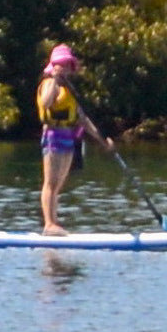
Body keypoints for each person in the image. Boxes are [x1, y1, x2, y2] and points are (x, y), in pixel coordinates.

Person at [36, 44, 112, 235]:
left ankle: (54, 223)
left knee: (58, 185)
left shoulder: (70, 92)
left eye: (67, 65)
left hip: (68, 138)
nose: (65, 69)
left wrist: (103, 141)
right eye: (61, 65)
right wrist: (54, 78)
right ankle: (49, 224)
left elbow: (83, 120)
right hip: (52, 136)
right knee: (50, 183)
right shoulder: (48, 84)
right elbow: (46, 102)